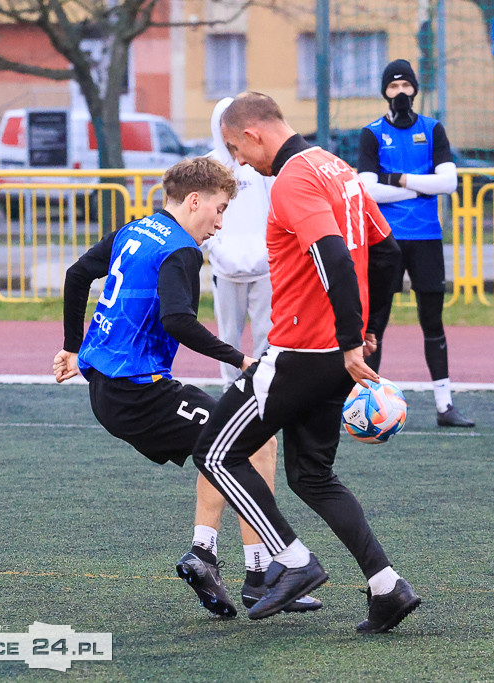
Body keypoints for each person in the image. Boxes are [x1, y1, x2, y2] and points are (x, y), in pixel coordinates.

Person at [191, 92, 421, 634]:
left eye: (235, 149)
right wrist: (368, 336)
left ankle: (292, 560)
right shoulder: (337, 168)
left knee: (213, 453)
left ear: (252, 133)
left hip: (299, 353)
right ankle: (387, 587)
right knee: (312, 476)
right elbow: (388, 254)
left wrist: (348, 339)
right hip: (334, 358)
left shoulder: (293, 178)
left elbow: (334, 257)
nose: (240, 162)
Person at [53, 156, 320, 618]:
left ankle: (208, 556)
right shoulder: (181, 249)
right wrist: (241, 359)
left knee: (219, 445)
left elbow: (77, 275)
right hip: (139, 395)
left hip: (113, 390)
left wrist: (73, 348)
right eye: (218, 210)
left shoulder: (134, 230)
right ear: (194, 201)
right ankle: (261, 575)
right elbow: (178, 320)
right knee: (252, 445)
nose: (219, 223)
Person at [357, 58, 474, 428]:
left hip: (427, 239)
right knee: (375, 324)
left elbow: (448, 182)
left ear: (415, 90)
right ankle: (365, 401)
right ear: (384, 92)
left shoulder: (433, 129)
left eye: (406, 86)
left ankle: (444, 405)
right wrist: (420, 186)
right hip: (384, 240)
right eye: (393, 87)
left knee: (433, 321)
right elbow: (366, 188)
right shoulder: (371, 133)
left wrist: (399, 179)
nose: (401, 93)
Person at [204, 96, 274, 385]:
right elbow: (200, 215)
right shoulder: (208, 166)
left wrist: (267, 251)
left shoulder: (260, 162)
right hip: (225, 268)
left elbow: (274, 208)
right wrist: (215, 249)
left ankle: (264, 388)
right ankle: (230, 389)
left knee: (266, 334)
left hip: (263, 266)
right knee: (228, 336)